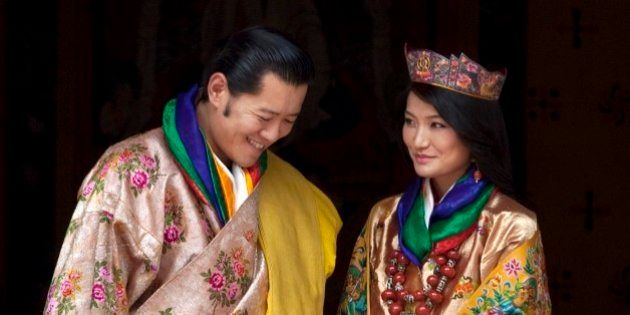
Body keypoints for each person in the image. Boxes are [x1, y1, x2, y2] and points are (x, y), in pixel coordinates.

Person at [44, 26, 342, 314]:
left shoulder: (293, 192)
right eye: (264, 116)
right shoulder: (129, 171)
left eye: (288, 121)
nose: (274, 134)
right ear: (217, 90)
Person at [338, 46, 551, 314]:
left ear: (473, 133)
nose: (418, 140)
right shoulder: (383, 217)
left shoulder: (511, 226)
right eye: (410, 121)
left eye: (436, 125)